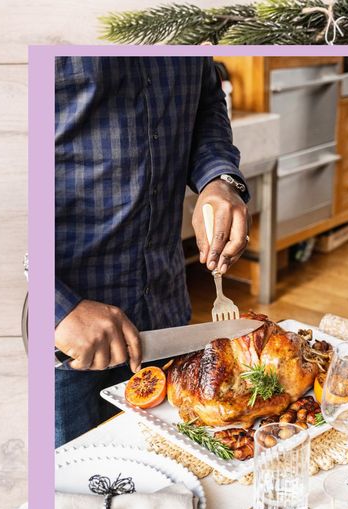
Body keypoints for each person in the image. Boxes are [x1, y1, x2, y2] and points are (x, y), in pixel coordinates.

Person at [54, 56, 250, 446]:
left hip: (165, 314)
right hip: (67, 342)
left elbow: (207, 102)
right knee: (72, 498)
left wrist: (220, 179)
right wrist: (55, 306)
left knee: (172, 483)